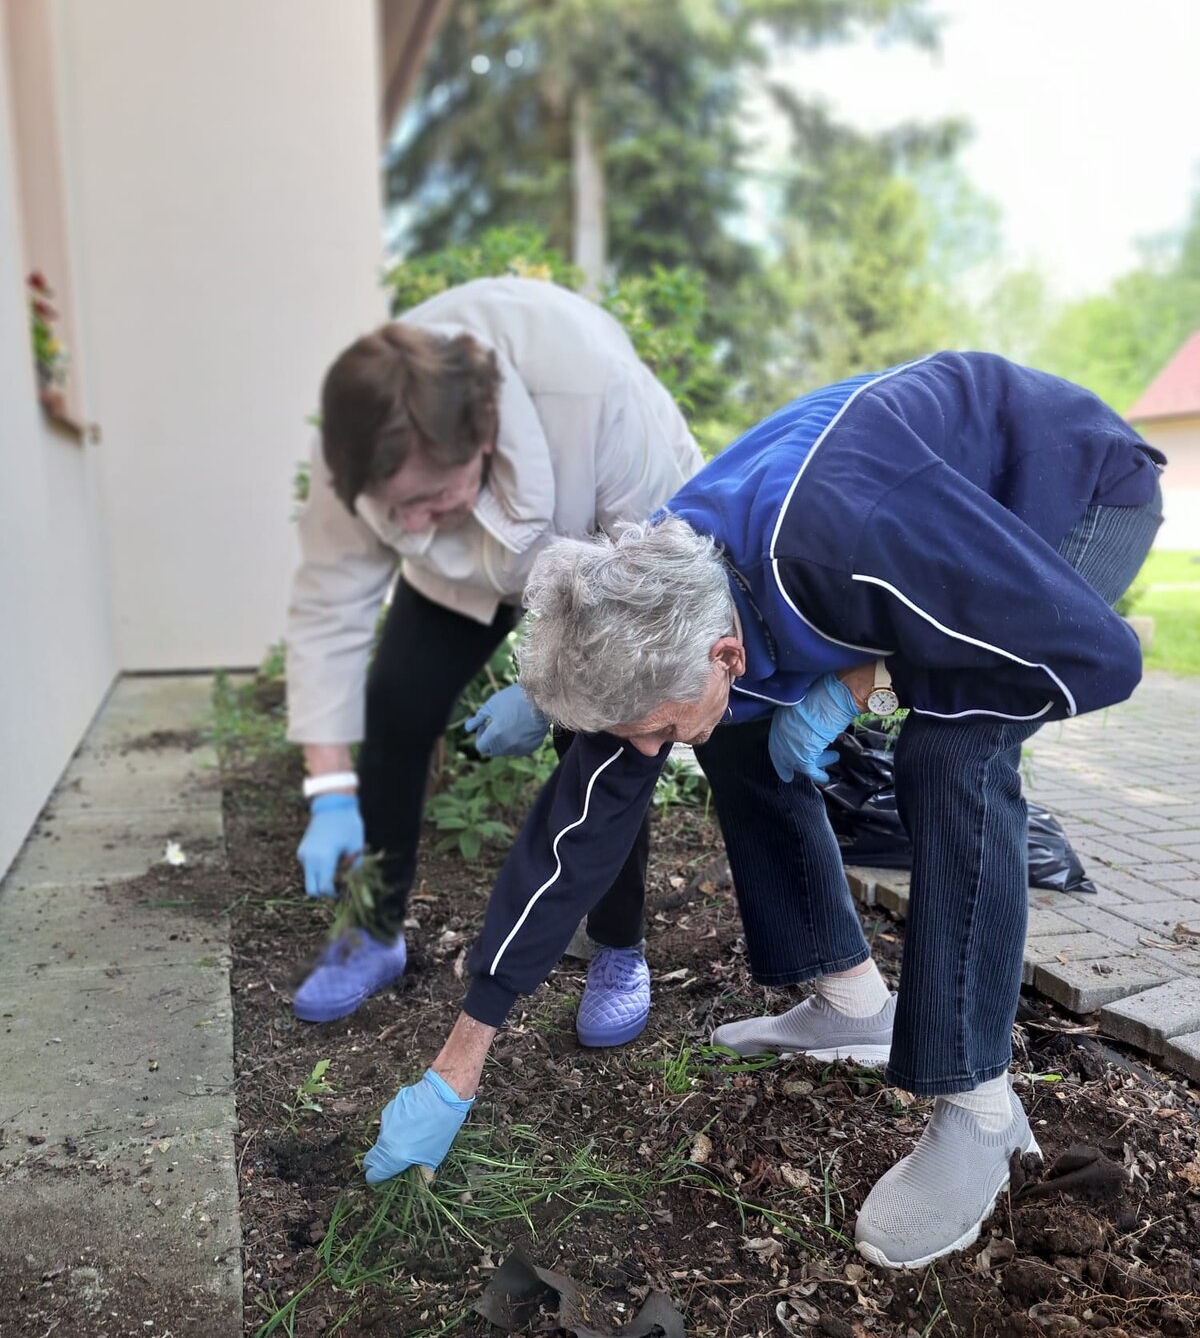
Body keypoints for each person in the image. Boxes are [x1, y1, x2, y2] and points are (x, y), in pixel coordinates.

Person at [360, 351, 1164, 1272]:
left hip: (1065, 491)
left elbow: (1096, 654)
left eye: (655, 731)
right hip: (916, 533)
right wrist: (459, 1059)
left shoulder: (851, 541)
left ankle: (981, 1111)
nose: (651, 751)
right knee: (729, 731)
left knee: (952, 753)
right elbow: (577, 830)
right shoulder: (663, 600)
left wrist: (866, 683)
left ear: (726, 654)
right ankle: (853, 1004)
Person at [285, 276, 703, 1045]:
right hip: (463, 566)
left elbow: (648, 589)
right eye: (396, 508)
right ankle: (374, 929)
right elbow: (327, 614)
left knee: (603, 739)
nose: (410, 523)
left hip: (608, 552)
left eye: (429, 496)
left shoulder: (594, 394)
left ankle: (618, 946)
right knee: (397, 704)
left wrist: (545, 693)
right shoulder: (357, 434)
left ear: (481, 436)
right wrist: (330, 788)